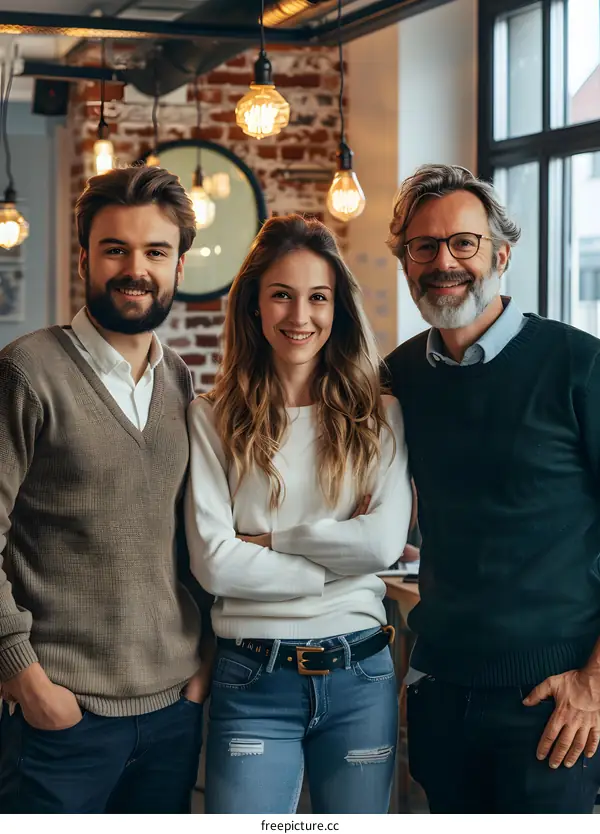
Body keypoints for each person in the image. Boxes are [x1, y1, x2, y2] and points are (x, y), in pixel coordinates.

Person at [384, 162, 600, 813]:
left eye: (463, 243)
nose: (443, 261)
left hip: (555, 701)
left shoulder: (577, 365)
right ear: (405, 261)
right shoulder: (402, 378)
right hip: (444, 690)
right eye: (424, 246)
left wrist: (595, 682)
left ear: (501, 254)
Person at [0, 165, 212, 814]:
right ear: (85, 255)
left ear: (179, 265)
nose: (135, 269)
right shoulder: (26, 373)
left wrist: (201, 663)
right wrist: (24, 676)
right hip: (60, 715)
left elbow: (191, 539)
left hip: (173, 712)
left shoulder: (180, 382)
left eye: (156, 251)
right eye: (115, 249)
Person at [185, 214, 412, 814]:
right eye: (281, 295)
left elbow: (383, 545)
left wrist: (268, 540)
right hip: (253, 677)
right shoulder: (210, 417)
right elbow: (214, 563)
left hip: (361, 675)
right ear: (254, 306)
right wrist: (342, 563)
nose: (300, 316)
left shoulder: (380, 415)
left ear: (338, 307)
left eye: (318, 297)